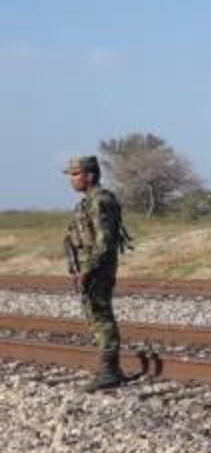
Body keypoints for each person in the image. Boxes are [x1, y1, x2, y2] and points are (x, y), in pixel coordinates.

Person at [63, 155, 132, 391]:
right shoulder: (87, 202)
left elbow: (104, 241)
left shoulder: (100, 201)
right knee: (95, 316)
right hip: (90, 268)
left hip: (98, 269)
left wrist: (88, 269)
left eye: (75, 174)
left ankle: (110, 371)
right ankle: (109, 369)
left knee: (101, 317)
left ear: (90, 175)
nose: (72, 180)